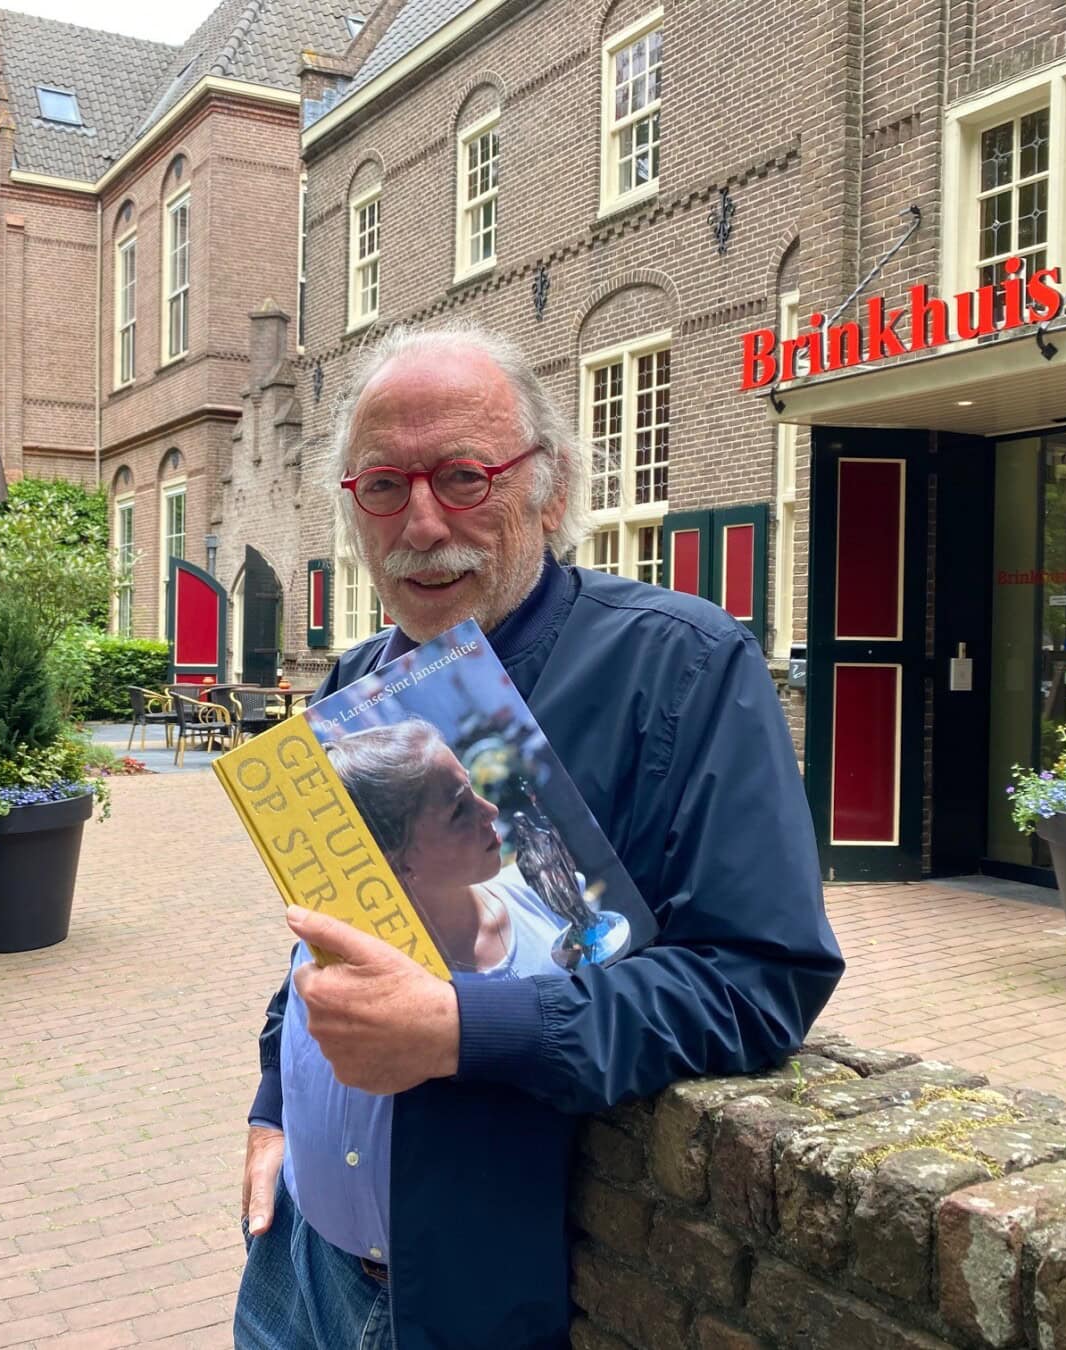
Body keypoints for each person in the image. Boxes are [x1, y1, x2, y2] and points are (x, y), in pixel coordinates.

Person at [234, 322, 843, 1350]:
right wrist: (274, 1104)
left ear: (551, 490)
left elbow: (760, 978)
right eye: (383, 485)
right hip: (296, 1256)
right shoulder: (355, 681)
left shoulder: (684, 668)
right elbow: (329, 929)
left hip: (451, 1296)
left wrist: (467, 1027)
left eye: (464, 477)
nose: (421, 522)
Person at [322, 717, 578, 977]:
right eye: (458, 810)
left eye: (472, 789)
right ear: (398, 863)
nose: (491, 811)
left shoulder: (546, 895)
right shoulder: (369, 983)